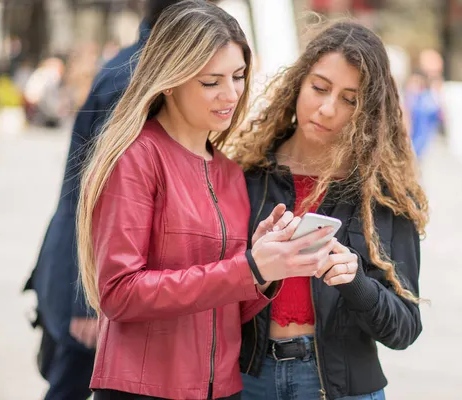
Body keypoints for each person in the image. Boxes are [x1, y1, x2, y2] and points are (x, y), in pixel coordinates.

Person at [77, 1, 335, 399]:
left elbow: (226, 308)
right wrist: (244, 267)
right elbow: (119, 293)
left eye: (238, 76)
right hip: (142, 389)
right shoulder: (136, 157)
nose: (230, 94)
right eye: (211, 81)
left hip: (223, 390)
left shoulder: (230, 173)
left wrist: (264, 268)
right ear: (170, 79)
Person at [235, 22, 429, 400]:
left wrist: (355, 282)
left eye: (350, 99)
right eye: (319, 88)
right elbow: (210, 292)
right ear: (298, 83)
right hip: (249, 382)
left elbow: (405, 329)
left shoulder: (384, 196)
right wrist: (256, 268)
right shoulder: (246, 176)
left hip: (343, 388)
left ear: (368, 111)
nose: (326, 109)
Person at [23, 1, 198, 399]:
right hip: (90, 281)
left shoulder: (137, 63)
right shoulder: (136, 79)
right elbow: (100, 195)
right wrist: (86, 300)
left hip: (89, 274)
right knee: (73, 384)